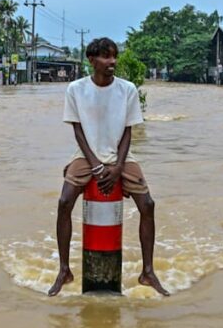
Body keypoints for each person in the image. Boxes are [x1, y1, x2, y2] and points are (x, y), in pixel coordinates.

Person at [48, 37, 169, 297]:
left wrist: (117, 168)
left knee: (148, 204)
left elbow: (128, 132)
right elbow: (78, 131)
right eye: (105, 56)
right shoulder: (75, 89)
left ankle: (148, 272)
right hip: (86, 154)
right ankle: (64, 270)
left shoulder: (127, 89)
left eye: (114, 56)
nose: (112, 61)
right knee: (64, 202)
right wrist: (94, 165)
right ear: (92, 60)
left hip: (121, 155)